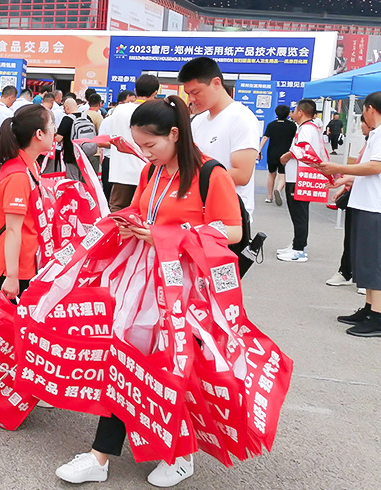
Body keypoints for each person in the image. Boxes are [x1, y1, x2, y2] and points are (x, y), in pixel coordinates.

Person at [56, 96, 242, 487]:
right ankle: (99, 455)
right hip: (144, 285)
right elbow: (142, 212)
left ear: (175, 134)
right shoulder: (152, 172)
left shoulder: (211, 174)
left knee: (175, 370)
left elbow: (233, 231)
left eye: (150, 145)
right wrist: (126, 222)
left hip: (188, 291)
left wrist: (168, 235)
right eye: (139, 146)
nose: (144, 154)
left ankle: (179, 454)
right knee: (126, 363)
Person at [0, 103, 55, 423]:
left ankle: (29, 386)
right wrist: (11, 277)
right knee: (2, 336)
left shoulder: (29, 167)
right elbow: (12, 230)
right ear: (38, 135)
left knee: (20, 334)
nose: (54, 134)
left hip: (25, 267)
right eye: (51, 128)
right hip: (12, 270)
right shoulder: (19, 176)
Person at [318, 91, 381, 338]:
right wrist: (348, 177)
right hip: (368, 204)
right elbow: (376, 169)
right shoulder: (380, 132)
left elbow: (376, 166)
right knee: (365, 260)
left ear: (370, 109)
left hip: (380, 207)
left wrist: (339, 167)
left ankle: (377, 319)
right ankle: (369, 310)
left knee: (377, 263)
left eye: (363, 111)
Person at [178, 57, 260, 218]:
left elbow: (242, 175)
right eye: (188, 94)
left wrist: (194, 181)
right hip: (198, 209)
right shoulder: (198, 121)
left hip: (229, 215)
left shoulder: (241, 118)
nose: (191, 99)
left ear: (216, 83)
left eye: (196, 92)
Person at [102, 74, 159, 211]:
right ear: (155, 92)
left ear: (135, 90)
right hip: (147, 171)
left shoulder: (119, 110)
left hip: (120, 172)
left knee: (117, 210)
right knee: (143, 212)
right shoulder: (155, 111)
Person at [326, 114, 371, 289]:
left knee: (367, 240)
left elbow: (372, 171)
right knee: (351, 237)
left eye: (364, 124)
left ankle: (365, 279)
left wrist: (341, 175)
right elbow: (357, 168)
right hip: (356, 195)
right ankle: (346, 272)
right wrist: (344, 187)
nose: (361, 127)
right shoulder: (366, 143)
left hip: (373, 201)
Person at [276, 99, 322, 263]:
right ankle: (297, 243)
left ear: (301, 112)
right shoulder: (306, 128)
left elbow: (302, 150)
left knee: (299, 213)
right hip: (297, 176)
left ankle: (299, 249)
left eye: (294, 110)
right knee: (298, 213)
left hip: (299, 177)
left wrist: (285, 156)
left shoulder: (307, 129)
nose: (292, 113)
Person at [258, 105, 296, 205]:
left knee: (271, 174)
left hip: (272, 153)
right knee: (282, 175)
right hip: (286, 155)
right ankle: (278, 190)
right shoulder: (292, 126)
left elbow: (265, 138)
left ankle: (269, 196)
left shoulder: (271, 125)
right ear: (288, 114)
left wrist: (259, 150)